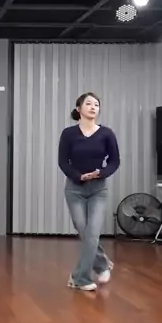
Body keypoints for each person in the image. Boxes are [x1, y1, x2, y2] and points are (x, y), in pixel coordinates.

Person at [58, 92, 120, 291]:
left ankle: (80, 278)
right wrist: (78, 176)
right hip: (74, 189)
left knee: (92, 232)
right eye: (88, 104)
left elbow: (115, 161)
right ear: (79, 109)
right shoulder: (68, 133)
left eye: (96, 104)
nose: (93, 107)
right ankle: (102, 264)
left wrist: (102, 173)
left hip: (98, 189)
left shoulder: (106, 133)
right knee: (84, 230)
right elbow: (63, 161)